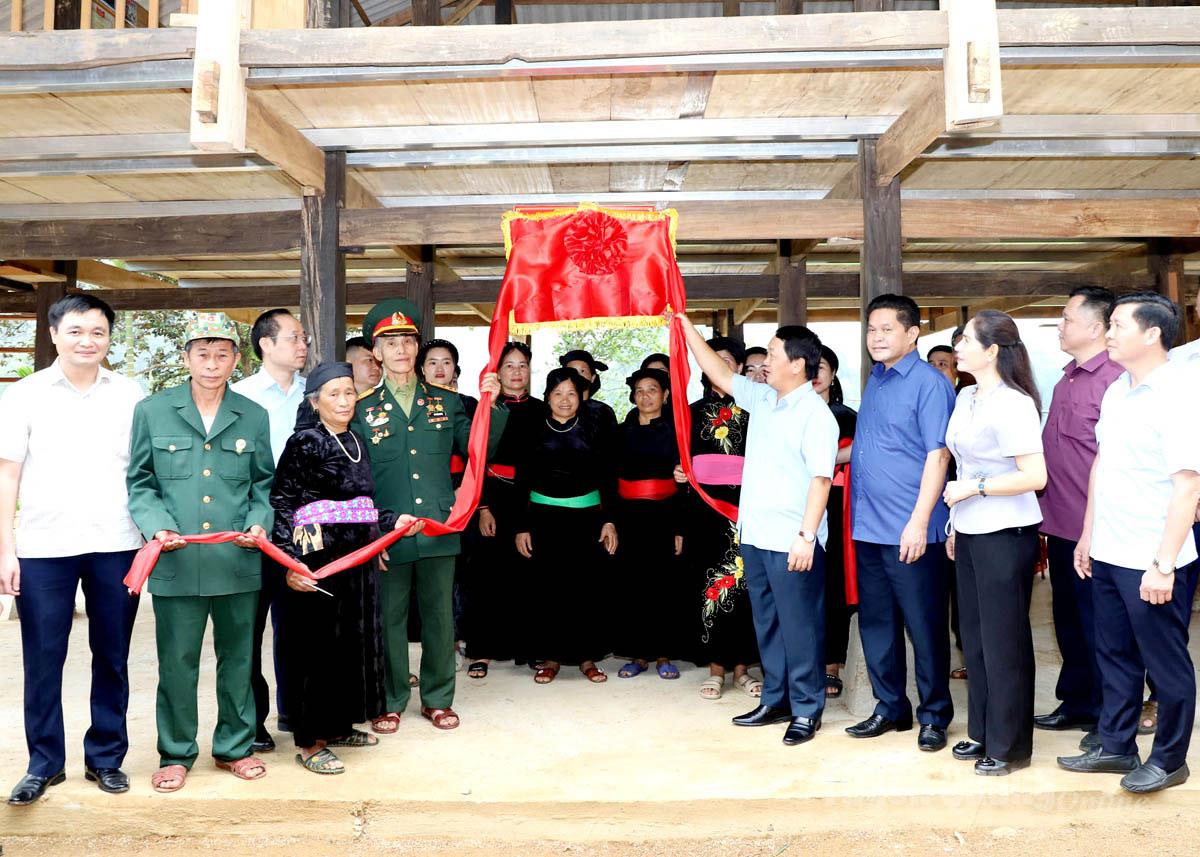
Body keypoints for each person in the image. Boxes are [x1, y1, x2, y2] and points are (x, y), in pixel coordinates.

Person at [1, 295, 145, 805]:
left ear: (109, 338)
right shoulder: (25, 394)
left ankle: (105, 757)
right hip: (44, 546)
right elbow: (7, 474)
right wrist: (6, 550)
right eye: (77, 331)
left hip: (117, 543)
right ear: (55, 334)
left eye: (98, 332)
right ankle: (44, 763)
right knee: (43, 658)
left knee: (113, 655)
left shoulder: (130, 394)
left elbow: (145, 470)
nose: (88, 341)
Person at [126, 313, 275, 793]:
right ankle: (175, 753)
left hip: (236, 559)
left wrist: (259, 523)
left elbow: (263, 484)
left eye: (222, 354)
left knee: (239, 661)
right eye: (203, 354)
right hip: (177, 560)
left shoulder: (253, 414)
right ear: (186, 357)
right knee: (177, 663)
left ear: (236, 359)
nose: (212, 364)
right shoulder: (153, 410)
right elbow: (140, 482)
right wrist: (157, 526)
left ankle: (234, 747)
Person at [1058, 293, 1199, 794]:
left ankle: (1170, 760)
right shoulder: (1118, 388)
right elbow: (1103, 464)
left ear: (1152, 334)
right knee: (1114, 653)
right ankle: (1116, 745)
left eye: (1118, 325)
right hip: (1109, 548)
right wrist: (1088, 533)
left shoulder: (1179, 393)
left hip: (1152, 556)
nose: (1109, 333)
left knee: (1165, 662)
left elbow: (1188, 486)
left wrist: (1164, 564)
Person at [678, 314, 837, 747]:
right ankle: (776, 699)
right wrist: (686, 327)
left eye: (772, 353)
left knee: (800, 627)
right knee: (767, 623)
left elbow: (821, 480)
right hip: (755, 535)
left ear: (798, 365)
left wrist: (806, 537)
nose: (765, 361)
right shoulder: (764, 398)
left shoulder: (815, 415)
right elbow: (718, 372)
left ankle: (806, 709)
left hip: (792, 540)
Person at [351, 300, 506, 733]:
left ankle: (437, 699)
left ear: (417, 347)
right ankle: (392, 698)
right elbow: (356, 479)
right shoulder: (361, 409)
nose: (400, 349)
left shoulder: (447, 402)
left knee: (440, 618)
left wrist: (491, 405)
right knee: (389, 619)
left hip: (439, 525)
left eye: (407, 341)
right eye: (390, 343)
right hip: (389, 531)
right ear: (376, 352)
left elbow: (479, 449)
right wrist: (370, 533)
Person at [269, 362, 424, 774]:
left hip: (359, 561)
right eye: (333, 394)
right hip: (318, 562)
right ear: (314, 401)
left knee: (350, 646)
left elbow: (361, 506)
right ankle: (310, 741)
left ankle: (338, 726)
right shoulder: (305, 442)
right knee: (316, 649)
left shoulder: (356, 439)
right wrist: (290, 563)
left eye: (349, 392)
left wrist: (393, 522)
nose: (343, 401)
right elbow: (282, 503)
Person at [849, 294, 955, 753]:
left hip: (912, 531)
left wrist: (919, 521)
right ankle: (891, 707)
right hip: (869, 527)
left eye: (887, 329)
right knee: (876, 624)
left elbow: (939, 455)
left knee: (924, 626)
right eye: (872, 329)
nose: (876, 337)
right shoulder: (876, 379)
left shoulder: (930, 383)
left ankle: (934, 715)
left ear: (912, 333)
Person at [942, 311, 1047, 776]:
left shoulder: (1014, 403)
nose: (957, 347)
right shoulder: (966, 396)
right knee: (975, 639)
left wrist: (976, 488)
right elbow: (963, 466)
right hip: (969, 530)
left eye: (965, 340)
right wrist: (956, 524)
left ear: (991, 351)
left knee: (1004, 642)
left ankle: (1011, 747)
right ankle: (983, 731)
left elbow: (1035, 476)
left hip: (1006, 532)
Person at [1034, 287, 1122, 743]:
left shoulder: (1115, 380)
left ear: (1096, 327)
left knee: (1100, 626)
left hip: (1098, 526)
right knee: (1068, 618)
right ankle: (1077, 701)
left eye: (1067, 318)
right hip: (1060, 523)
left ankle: (1110, 717)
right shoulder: (1065, 378)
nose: (1060, 325)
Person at [231, 308, 309, 752]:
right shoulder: (239, 397)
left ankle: (297, 714)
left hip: (303, 530)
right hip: (253, 529)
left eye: (303, 338)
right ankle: (251, 722)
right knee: (248, 631)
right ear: (266, 344)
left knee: (297, 630)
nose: (302, 345)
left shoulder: (313, 395)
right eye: (294, 337)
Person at [515, 368, 618, 685]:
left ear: (580, 397)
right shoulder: (532, 429)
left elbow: (608, 478)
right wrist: (521, 526)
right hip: (543, 520)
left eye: (571, 393)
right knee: (548, 591)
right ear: (547, 397)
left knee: (585, 590)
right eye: (557, 393)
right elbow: (521, 481)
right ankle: (551, 658)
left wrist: (609, 520)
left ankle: (587, 658)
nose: (564, 400)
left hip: (586, 521)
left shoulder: (594, 428)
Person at [680, 336, 761, 701]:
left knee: (745, 587)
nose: (720, 366)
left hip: (748, 507)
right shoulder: (689, 411)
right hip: (705, 511)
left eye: (727, 360)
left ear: (739, 368)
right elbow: (680, 460)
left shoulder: (758, 407)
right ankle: (715, 668)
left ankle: (742, 669)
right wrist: (680, 471)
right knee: (707, 584)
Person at [463, 341, 548, 678]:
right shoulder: (484, 409)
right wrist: (483, 506)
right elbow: (475, 461)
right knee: (487, 577)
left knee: (529, 576)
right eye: (509, 366)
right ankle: (482, 650)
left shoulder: (542, 410)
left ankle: (531, 649)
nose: (516, 372)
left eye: (522, 365)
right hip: (492, 499)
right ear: (497, 372)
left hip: (532, 500)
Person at [613, 367, 687, 680]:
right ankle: (638, 655)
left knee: (663, 587)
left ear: (665, 395)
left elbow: (684, 485)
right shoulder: (620, 432)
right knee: (633, 587)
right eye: (640, 391)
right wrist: (610, 522)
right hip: (628, 518)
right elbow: (609, 479)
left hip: (664, 516)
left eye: (652, 389)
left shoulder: (677, 432)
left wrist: (680, 528)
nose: (645, 396)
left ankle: (663, 654)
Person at [811, 345, 856, 699]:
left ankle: (831, 663)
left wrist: (820, 459)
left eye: (822, 366)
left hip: (837, 504)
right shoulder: (789, 412)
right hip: (795, 503)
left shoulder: (847, 415)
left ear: (833, 374)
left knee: (834, 583)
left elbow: (860, 449)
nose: (815, 373)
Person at [560, 349, 618, 432]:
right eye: (572, 371)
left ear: (593, 377)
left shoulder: (603, 411)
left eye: (582, 371)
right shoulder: (556, 408)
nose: (577, 376)